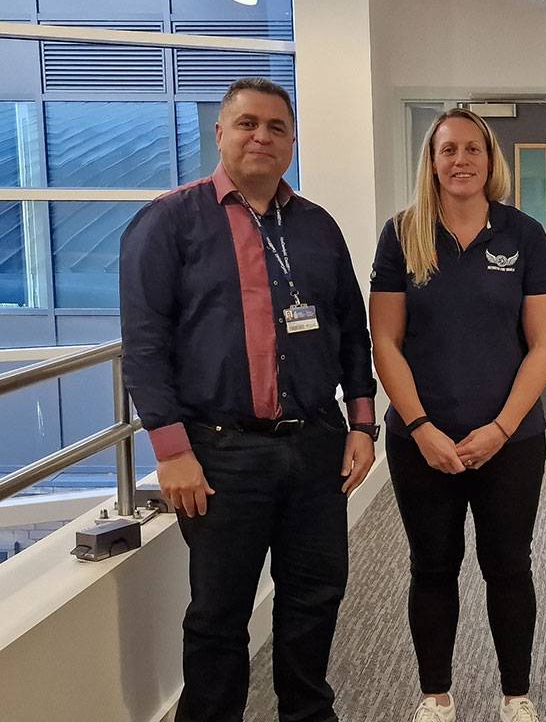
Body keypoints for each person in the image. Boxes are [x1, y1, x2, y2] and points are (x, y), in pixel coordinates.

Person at [119, 77, 378, 722]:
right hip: (220, 453)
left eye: (276, 127)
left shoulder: (317, 226)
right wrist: (171, 451)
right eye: (247, 124)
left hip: (317, 444)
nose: (261, 136)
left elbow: (349, 326)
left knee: (315, 598)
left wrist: (364, 422)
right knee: (219, 614)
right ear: (220, 134)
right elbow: (144, 346)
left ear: (291, 141)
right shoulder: (168, 222)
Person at [369, 108, 546, 722]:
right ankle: (435, 698)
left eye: (472, 149)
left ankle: (515, 697)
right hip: (421, 439)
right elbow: (386, 343)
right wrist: (421, 427)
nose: (460, 161)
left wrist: (502, 427)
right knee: (432, 566)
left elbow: (545, 345)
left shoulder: (523, 234)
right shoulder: (402, 234)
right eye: (447, 149)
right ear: (431, 160)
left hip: (512, 439)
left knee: (508, 566)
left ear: (490, 158)